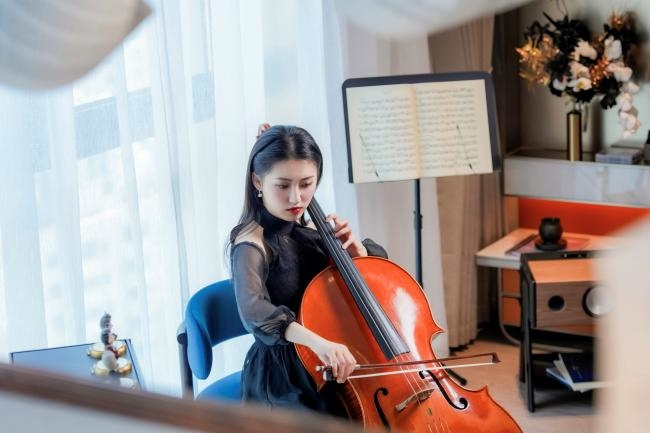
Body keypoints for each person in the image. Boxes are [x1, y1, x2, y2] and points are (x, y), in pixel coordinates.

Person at [227, 124, 387, 414]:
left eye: (306, 184)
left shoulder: (312, 228)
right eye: (283, 185)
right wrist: (318, 343)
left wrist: (358, 256)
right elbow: (255, 312)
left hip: (336, 355)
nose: (296, 198)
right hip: (285, 374)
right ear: (258, 181)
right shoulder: (250, 244)